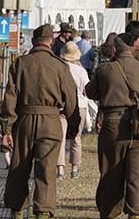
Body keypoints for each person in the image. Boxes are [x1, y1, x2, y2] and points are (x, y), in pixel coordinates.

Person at [0, 24, 81, 219]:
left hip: (24, 121)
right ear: (51, 42)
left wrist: (6, 128)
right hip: (51, 122)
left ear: (33, 41)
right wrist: (73, 126)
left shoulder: (20, 63)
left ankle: (17, 211)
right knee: (46, 171)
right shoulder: (60, 66)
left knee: (19, 168)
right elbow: (71, 98)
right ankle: (43, 212)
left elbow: (10, 97)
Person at [86, 33, 139, 219]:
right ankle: (135, 213)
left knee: (110, 172)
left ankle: (109, 213)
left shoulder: (105, 69)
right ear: (132, 48)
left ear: (114, 49)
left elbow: (90, 92)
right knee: (138, 176)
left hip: (112, 125)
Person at [59, 41, 90, 180]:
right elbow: (87, 89)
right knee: (76, 137)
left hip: (62, 105)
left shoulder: (60, 68)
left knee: (60, 137)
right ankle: (75, 168)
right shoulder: (81, 70)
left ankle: (60, 169)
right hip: (80, 105)